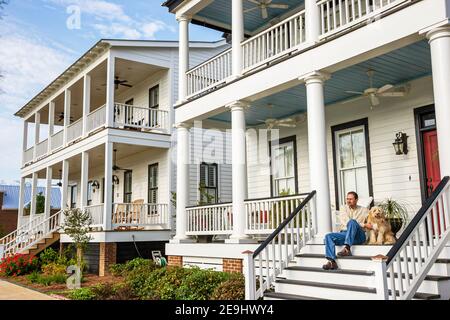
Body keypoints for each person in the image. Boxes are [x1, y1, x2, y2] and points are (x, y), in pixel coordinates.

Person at [322, 191, 372, 270]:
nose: (348, 201)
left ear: (356, 200)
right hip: (345, 234)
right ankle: (332, 262)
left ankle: (347, 248)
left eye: (351, 199)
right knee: (328, 236)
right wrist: (364, 224)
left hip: (358, 236)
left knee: (352, 222)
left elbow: (371, 223)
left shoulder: (364, 210)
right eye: (347, 199)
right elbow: (346, 222)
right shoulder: (343, 208)